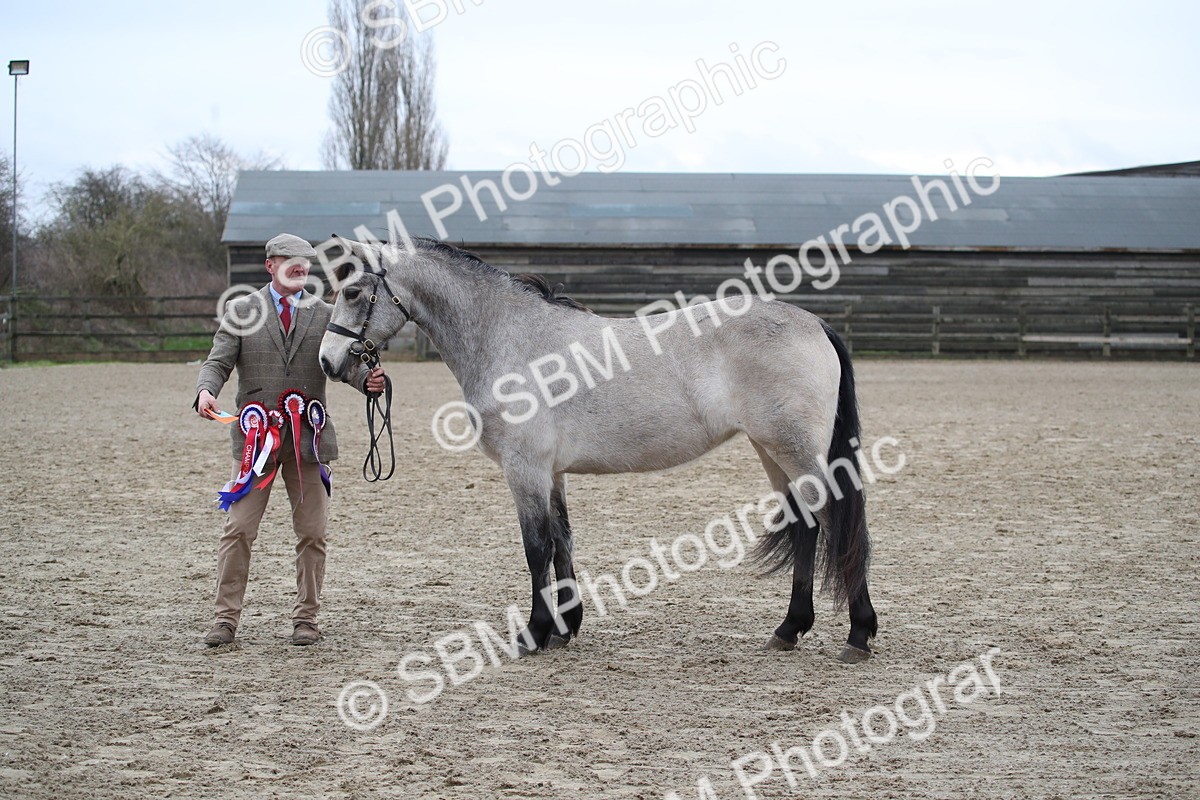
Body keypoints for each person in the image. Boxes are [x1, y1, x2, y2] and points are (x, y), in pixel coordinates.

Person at [194, 233, 386, 647]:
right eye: (290, 261)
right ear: (270, 266)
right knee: (238, 529)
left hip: (308, 443)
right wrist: (206, 390)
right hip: (255, 441)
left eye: (305, 262)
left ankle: (306, 619)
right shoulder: (241, 310)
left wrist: (366, 381)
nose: (301, 266)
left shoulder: (326, 315)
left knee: (313, 533)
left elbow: (342, 367)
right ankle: (225, 620)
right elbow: (218, 361)